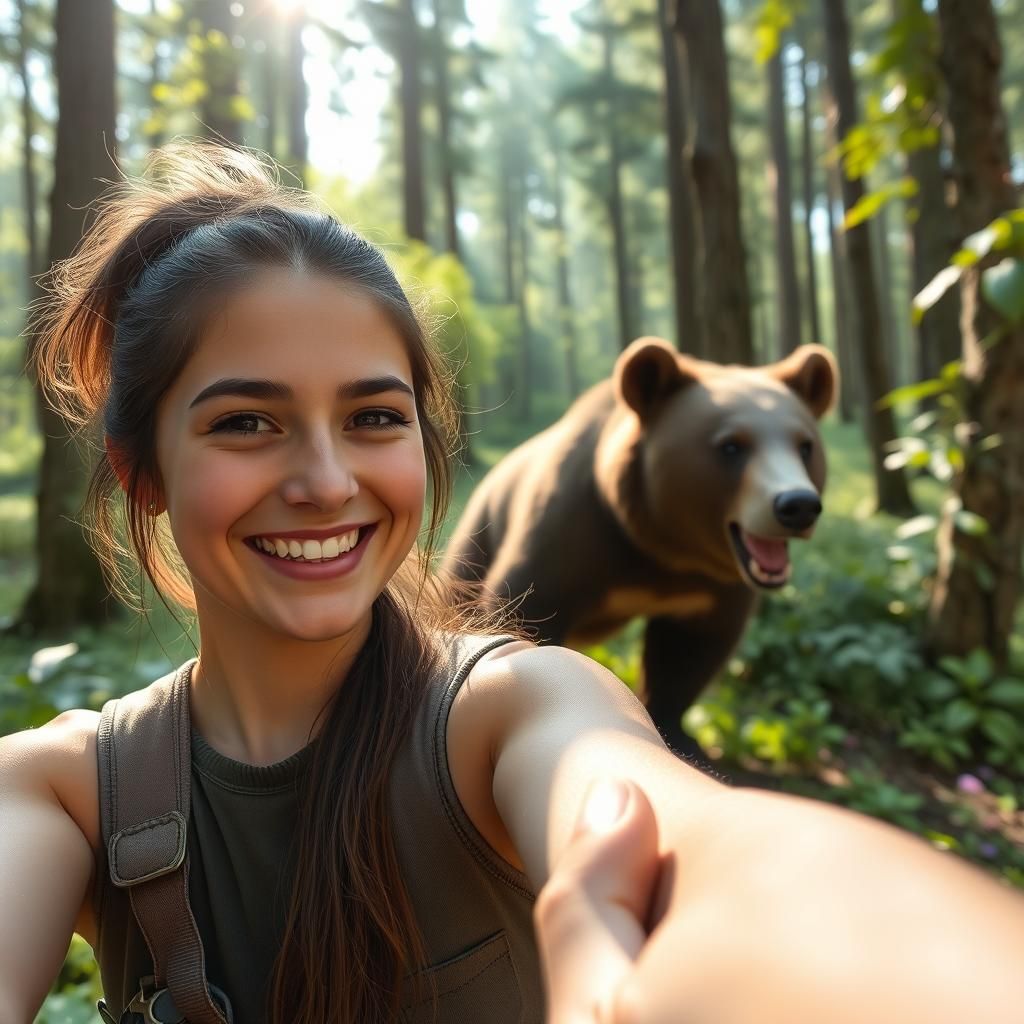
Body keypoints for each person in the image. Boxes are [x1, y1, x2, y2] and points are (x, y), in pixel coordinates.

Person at [0, 142, 1021, 1024]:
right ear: (142, 469)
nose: (324, 481)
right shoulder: (65, 792)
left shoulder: (518, 712)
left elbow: (706, 846)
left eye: (374, 417)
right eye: (245, 421)